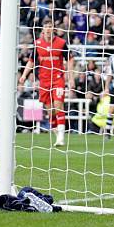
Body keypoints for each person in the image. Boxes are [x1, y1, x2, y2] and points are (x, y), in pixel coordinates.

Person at [19, 18, 74, 146]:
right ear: (43, 30)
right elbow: (31, 61)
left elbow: (70, 59)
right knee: (50, 111)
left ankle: (61, 136)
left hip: (58, 78)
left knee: (58, 105)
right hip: (44, 81)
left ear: (53, 28)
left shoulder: (61, 43)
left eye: (50, 26)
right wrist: (24, 75)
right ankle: (57, 134)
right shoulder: (37, 44)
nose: (48, 29)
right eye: (46, 27)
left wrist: (70, 78)